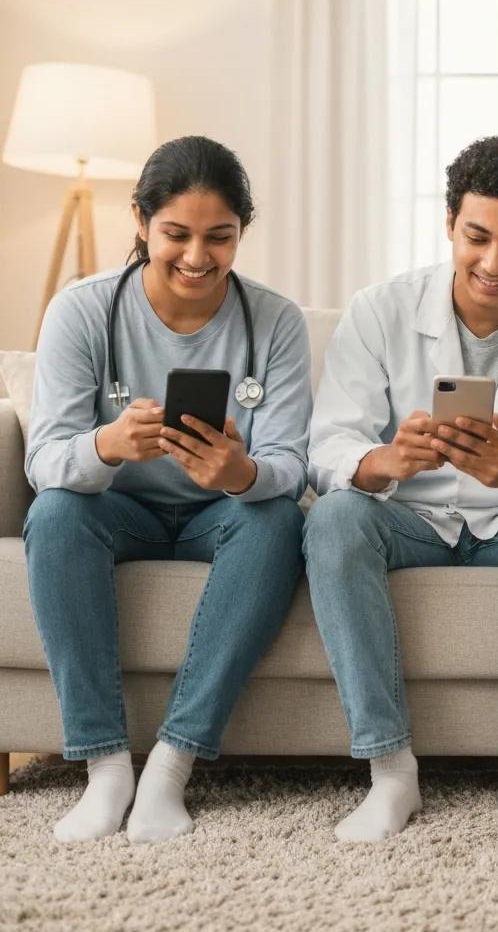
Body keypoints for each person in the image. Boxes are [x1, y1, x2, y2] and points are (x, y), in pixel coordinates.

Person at [303, 134, 498, 843]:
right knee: (332, 522)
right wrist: (389, 460)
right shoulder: (380, 311)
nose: (493, 263)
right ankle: (390, 773)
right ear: (449, 222)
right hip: (408, 516)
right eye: (476, 237)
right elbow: (328, 448)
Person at [24, 136, 311, 843]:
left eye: (220, 237)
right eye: (175, 234)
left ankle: (172, 765)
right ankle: (104, 765)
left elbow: (289, 465)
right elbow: (45, 460)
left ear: (243, 232)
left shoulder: (275, 321)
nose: (196, 257)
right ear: (140, 222)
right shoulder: (83, 311)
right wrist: (106, 446)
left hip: (222, 514)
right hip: (117, 509)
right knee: (55, 515)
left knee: (276, 521)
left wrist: (240, 474)